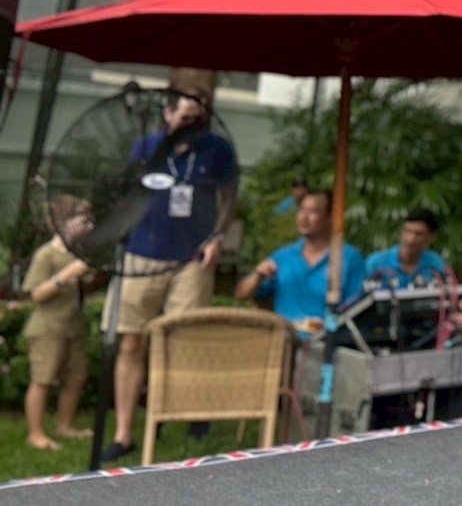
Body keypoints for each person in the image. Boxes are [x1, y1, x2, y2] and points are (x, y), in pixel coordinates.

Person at [101, 85, 237, 463]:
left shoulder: (217, 150)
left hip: (191, 258)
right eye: (184, 117)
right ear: (167, 114)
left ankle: (173, 412)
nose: (191, 124)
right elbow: (124, 192)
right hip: (141, 253)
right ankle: (124, 433)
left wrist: (217, 236)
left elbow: (230, 197)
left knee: (183, 339)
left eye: (197, 118)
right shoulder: (146, 147)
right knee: (131, 342)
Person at [234, 190, 366, 336]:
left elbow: (357, 310)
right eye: (301, 210)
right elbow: (241, 295)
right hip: (284, 340)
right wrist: (258, 276)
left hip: (329, 340)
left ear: (331, 217)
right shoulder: (283, 257)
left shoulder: (350, 258)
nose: (304, 217)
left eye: (313, 211)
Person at [21, 198, 93, 450]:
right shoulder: (46, 255)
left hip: (73, 328)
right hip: (47, 330)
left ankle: (64, 426)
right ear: (63, 223)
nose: (89, 226)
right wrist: (67, 274)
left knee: (76, 378)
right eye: (83, 220)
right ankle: (36, 434)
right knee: (43, 380)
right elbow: (36, 294)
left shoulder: (78, 253)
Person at [365, 208, 448, 289]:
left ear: (431, 237)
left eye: (418, 234)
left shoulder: (435, 264)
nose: (411, 239)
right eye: (407, 231)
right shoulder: (376, 263)